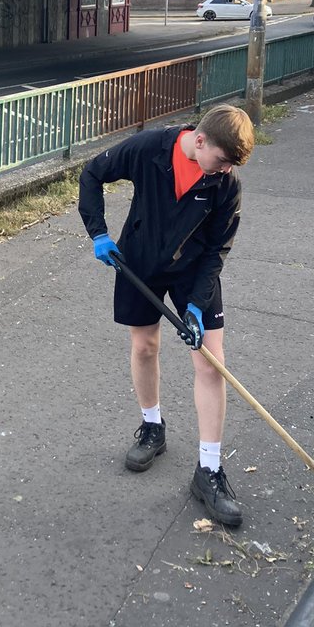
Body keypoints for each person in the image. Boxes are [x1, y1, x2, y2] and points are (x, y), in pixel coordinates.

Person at [78, 104, 256, 528]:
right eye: (221, 160)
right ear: (200, 140)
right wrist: (98, 232)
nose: (225, 170)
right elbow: (92, 173)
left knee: (211, 363)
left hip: (194, 270)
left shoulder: (226, 183)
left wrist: (195, 305)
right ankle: (152, 427)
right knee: (144, 346)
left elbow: (217, 249)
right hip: (140, 260)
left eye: (230, 165)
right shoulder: (148, 148)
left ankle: (209, 469)